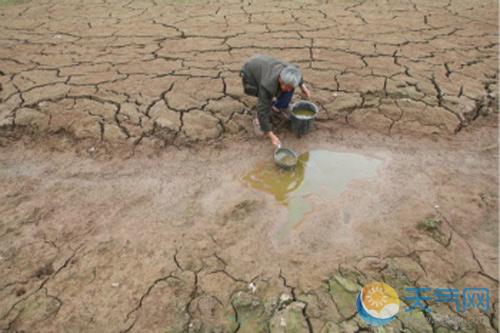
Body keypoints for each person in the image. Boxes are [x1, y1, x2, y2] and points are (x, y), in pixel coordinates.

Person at [240, 54, 311, 147]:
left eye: (290, 86)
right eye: (284, 84)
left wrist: (303, 87)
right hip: (250, 73)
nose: (287, 88)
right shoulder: (267, 85)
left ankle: (280, 107)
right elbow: (263, 110)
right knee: (264, 100)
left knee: (287, 90)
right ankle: (257, 119)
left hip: (265, 65)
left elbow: (297, 75)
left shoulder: (290, 70)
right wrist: (271, 135)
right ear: (280, 79)